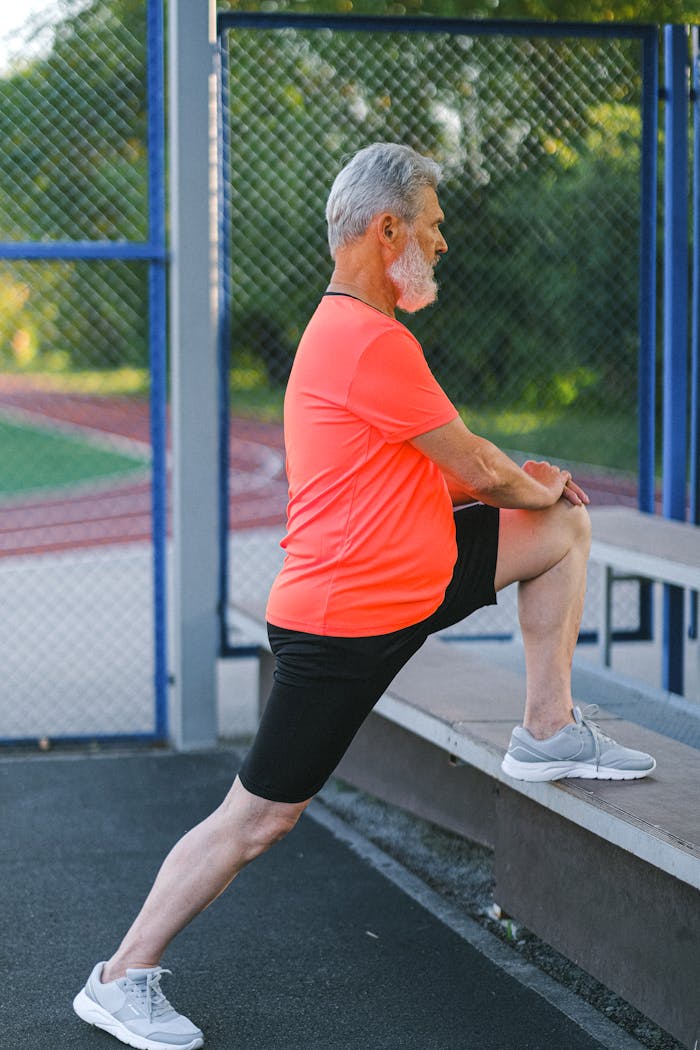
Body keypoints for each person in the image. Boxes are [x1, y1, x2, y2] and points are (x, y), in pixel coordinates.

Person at [73, 142, 655, 1050]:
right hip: (340, 623)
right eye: (433, 224)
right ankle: (120, 976)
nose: (442, 242)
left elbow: (412, 480)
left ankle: (546, 731)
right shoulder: (365, 340)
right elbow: (476, 465)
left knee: (559, 535)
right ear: (388, 231)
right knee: (261, 818)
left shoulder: (362, 334)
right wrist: (535, 483)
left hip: (412, 580)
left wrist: (534, 495)